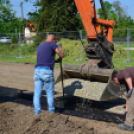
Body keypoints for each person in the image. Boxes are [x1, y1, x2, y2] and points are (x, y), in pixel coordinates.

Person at [33, 34, 64, 115]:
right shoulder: (52, 44)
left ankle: (37, 112)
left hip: (37, 70)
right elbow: (62, 55)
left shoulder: (40, 46)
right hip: (46, 71)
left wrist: (54, 60)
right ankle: (51, 112)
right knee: (49, 93)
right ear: (53, 40)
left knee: (37, 93)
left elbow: (45, 57)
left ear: (46, 39)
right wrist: (59, 46)